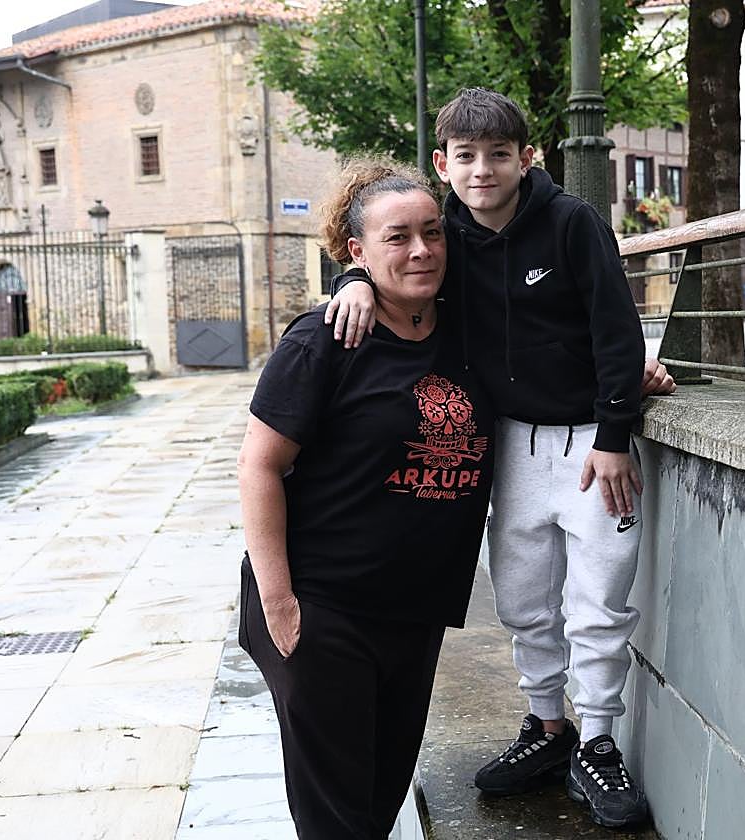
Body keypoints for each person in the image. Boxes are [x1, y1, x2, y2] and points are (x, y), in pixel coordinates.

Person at [327, 88, 670, 829]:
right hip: (509, 443)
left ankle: (599, 742)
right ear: (442, 163)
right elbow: (387, 258)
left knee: (598, 603)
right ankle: (548, 728)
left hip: (591, 449)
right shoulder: (444, 231)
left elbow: (617, 329)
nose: (483, 170)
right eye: (467, 157)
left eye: (499, 155)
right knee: (520, 600)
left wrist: (615, 435)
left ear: (527, 157)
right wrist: (351, 279)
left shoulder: (573, 224)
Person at [237, 158, 495, 840]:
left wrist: (626, 376)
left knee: (378, 803)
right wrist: (280, 605)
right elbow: (258, 467)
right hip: (324, 608)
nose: (420, 250)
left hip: (414, 615)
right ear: (357, 250)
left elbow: (548, 333)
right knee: (337, 820)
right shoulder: (324, 340)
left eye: (433, 233)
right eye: (397, 237)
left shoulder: (469, 334)